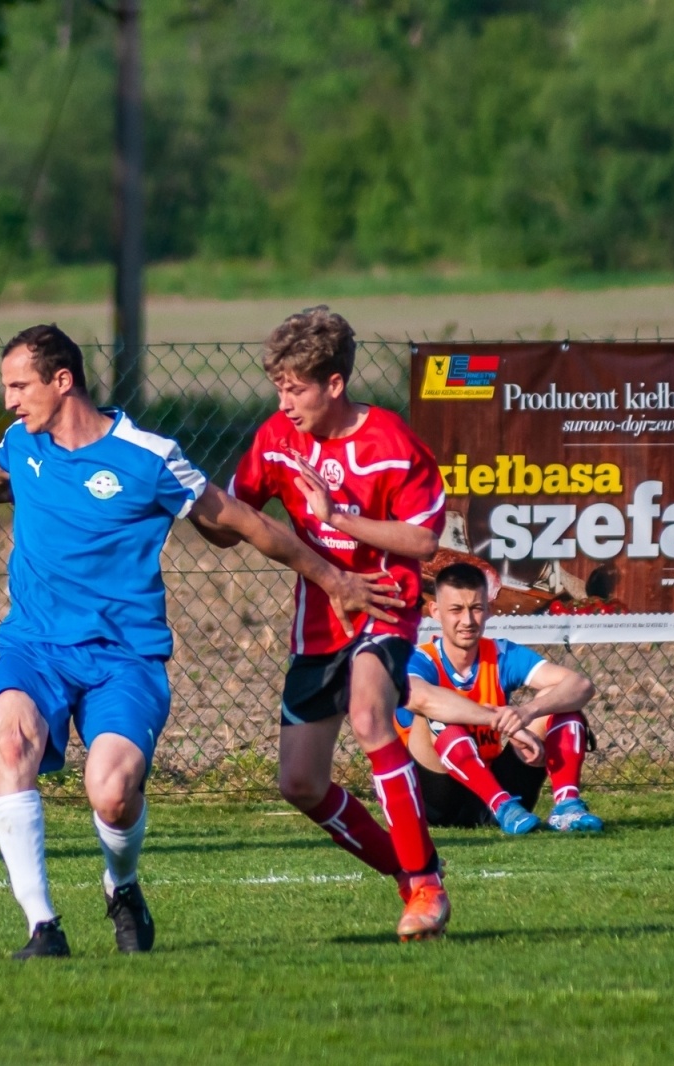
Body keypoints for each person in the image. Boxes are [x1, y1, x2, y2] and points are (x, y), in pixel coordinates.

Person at [0, 323, 395, 959]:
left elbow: (242, 522)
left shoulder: (146, 457)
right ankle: (43, 928)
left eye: (18, 385)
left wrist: (335, 578)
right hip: (33, 646)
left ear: (62, 382)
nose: (8, 400)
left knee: (112, 795)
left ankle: (122, 886)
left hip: (125, 657)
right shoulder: (19, 441)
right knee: (12, 742)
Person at [216, 305, 453, 941]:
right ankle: (410, 878)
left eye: (295, 389)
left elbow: (424, 541)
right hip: (317, 625)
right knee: (298, 782)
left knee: (372, 714)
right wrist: (183, 500)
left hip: (384, 608)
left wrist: (340, 519)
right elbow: (233, 522)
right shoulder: (277, 438)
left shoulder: (391, 444)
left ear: (334, 385)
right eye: (278, 388)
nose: (284, 402)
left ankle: (426, 887)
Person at [400, 562, 602, 834]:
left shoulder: (501, 654)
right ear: (435, 612)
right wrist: (499, 720)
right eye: (456, 610)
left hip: (502, 790)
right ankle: (501, 805)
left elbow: (581, 685)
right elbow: (419, 698)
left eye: (476, 608)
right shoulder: (418, 659)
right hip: (438, 797)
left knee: (559, 702)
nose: (468, 620)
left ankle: (567, 808)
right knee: (435, 711)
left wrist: (527, 712)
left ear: (490, 610)